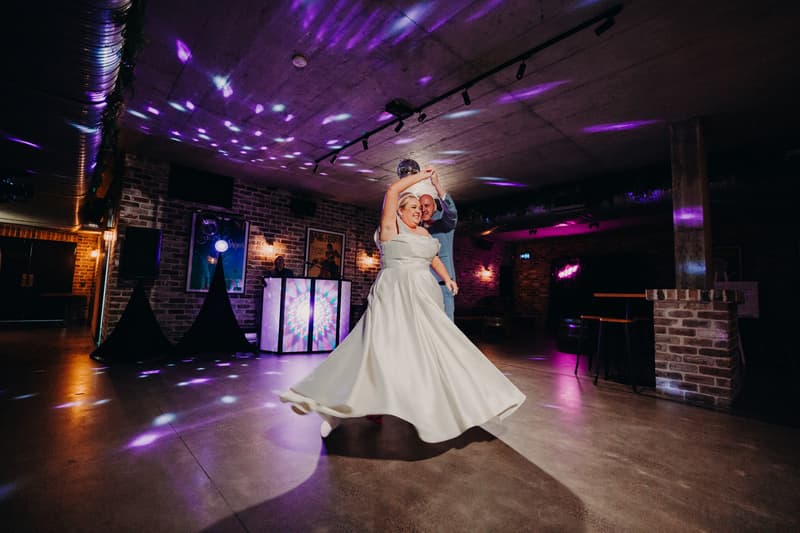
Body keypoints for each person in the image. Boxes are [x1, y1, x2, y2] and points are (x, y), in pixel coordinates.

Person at [279, 168, 525, 442]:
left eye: (420, 208)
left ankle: (456, 404)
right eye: (413, 208)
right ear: (399, 210)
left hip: (425, 296)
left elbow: (433, 258)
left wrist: (448, 280)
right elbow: (392, 191)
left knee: (438, 348)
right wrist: (422, 178)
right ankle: (346, 405)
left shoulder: (423, 234)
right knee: (377, 349)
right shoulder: (390, 228)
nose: (419, 211)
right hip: (395, 293)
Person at [418, 169, 457, 321]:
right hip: (423, 287)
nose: (423, 209)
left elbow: (452, 212)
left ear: (434, 206)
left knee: (446, 328)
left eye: (427, 205)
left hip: (442, 285)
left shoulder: (444, 224)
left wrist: (436, 184)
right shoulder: (416, 228)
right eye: (420, 206)